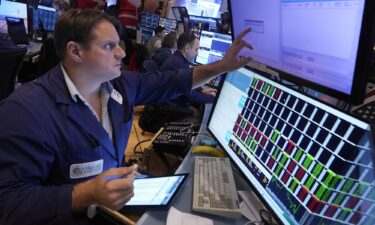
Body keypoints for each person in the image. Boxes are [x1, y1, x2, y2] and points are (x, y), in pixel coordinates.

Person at [0, 9, 252, 225]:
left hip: (111, 207)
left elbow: (172, 81)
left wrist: (222, 66)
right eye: (109, 46)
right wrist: (84, 193)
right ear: (76, 51)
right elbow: (8, 204)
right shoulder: (26, 110)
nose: (121, 52)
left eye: (118, 43)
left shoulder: (118, 85)